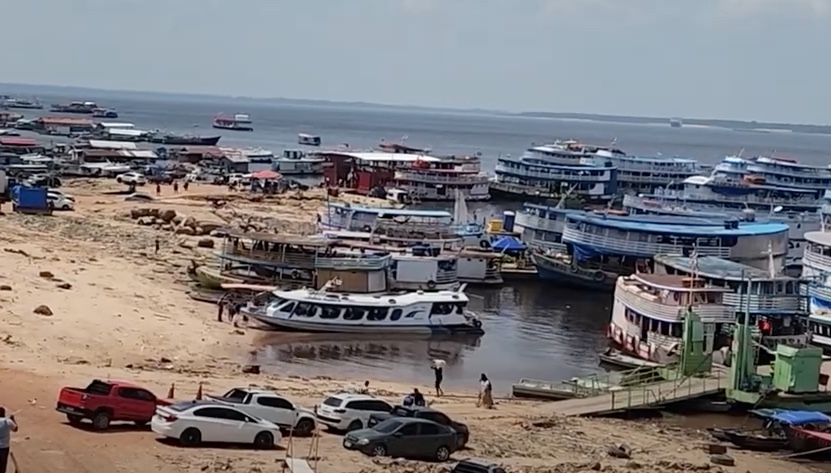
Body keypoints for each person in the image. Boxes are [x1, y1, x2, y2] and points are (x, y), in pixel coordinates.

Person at [0, 407, 19, 473]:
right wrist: (13, 420)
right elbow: (15, 429)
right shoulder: (7, 421)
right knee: (3, 465)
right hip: (4, 446)